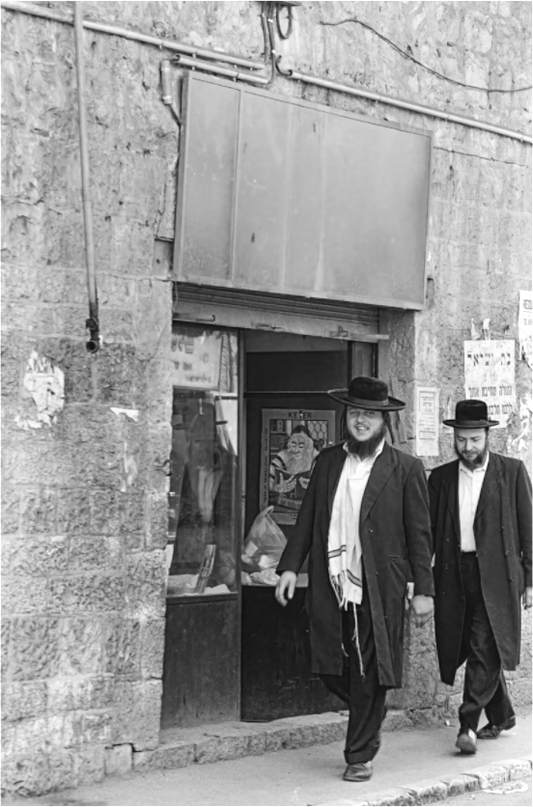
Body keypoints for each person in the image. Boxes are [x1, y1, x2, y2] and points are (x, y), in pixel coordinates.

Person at [275, 376, 434, 782]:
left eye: (370, 415)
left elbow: (420, 534)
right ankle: (372, 707)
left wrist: (424, 590)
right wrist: (290, 567)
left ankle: (359, 754)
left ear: (384, 421)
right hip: (332, 580)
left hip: (379, 585)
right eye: (355, 413)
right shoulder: (328, 461)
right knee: (329, 665)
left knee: (367, 668)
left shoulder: (405, 468)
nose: (361, 421)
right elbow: (308, 516)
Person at [429, 399, 533, 756]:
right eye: (461, 440)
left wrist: (531, 580)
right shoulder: (441, 478)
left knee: (483, 645)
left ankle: (468, 725)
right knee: (472, 645)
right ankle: (502, 714)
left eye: (474, 439)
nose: (467, 447)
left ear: (487, 436)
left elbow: (529, 528)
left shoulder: (512, 472)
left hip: (499, 576)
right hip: (455, 574)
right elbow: (427, 533)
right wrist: (420, 579)